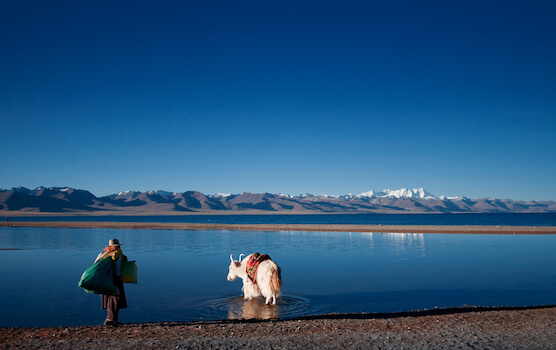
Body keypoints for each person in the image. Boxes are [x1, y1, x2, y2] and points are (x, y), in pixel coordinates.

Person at [95, 239, 127, 326]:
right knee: (115, 299)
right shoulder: (117, 254)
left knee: (108, 298)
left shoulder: (104, 253)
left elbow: (96, 262)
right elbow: (118, 269)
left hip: (105, 279)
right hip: (115, 279)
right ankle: (111, 320)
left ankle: (113, 319)